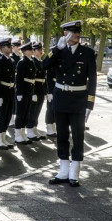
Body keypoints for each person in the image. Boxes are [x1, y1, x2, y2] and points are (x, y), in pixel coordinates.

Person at [43, 21, 96, 187]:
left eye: (76, 33)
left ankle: (75, 171)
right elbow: (43, 65)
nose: (74, 36)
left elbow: (93, 80)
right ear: (65, 34)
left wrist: (90, 104)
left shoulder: (87, 53)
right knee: (62, 135)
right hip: (61, 98)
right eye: (70, 33)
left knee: (78, 136)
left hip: (78, 99)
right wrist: (57, 49)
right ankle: (63, 169)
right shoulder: (58, 51)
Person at [0, 38, 16, 150]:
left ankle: (3, 137)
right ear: (2, 49)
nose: (10, 47)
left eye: (10, 46)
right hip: (2, 92)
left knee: (7, 116)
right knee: (2, 116)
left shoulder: (11, 61)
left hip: (10, 91)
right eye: (8, 46)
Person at [14, 42, 37, 145]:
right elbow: (18, 79)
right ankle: (18, 134)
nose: (32, 50)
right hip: (23, 91)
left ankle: (23, 134)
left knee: (26, 113)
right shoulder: (22, 62)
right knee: (20, 114)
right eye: (29, 49)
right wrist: (19, 93)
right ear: (24, 51)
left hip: (29, 90)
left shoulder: (31, 62)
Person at [26, 42, 47, 140]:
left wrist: (46, 91)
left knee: (38, 109)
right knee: (32, 110)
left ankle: (34, 128)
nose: (41, 51)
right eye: (39, 50)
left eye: (41, 50)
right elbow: (32, 78)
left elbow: (44, 78)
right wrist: (33, 93)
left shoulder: (40, 61)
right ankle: (29, 129)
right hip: (35, 88)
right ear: (33, 51)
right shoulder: (33, 62)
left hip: (41, 88)